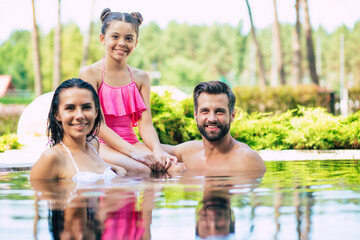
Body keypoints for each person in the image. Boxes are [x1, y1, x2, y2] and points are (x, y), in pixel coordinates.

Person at [79, 8, 175, 173]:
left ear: (135, 42)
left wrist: (158, 150)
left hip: (131, 141)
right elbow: (98, 125)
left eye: (129, 38)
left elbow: (146, 125)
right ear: (103, 39)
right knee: (143, 170)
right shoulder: (90, 74)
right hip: (99, 143)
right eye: (115, 37)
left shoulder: (141, 77)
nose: (122, 43)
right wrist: (133, 153)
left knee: (173, 168)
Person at [30, 78, 125, 180]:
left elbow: (90, 166)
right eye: (70, 108)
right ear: (57, 114)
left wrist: (117, 169)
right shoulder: (53, 157)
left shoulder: (93, 143)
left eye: (86, 107)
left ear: (96, 112)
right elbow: (38, 193)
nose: (79, 116)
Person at [165, 81, 267, 172]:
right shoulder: (188, 152)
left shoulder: (246, 159)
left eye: (219, 112)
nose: (212, 119)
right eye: (205, 111)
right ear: (196, 116)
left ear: (232, 116)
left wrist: (179, 176)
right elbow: (152, 148)